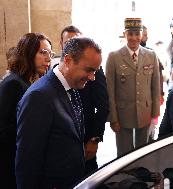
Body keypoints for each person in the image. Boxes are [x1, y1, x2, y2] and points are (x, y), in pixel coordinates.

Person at [15, 37, 102, 188]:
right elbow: (27, 161)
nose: (92, 77)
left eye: (95, 71)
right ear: (68, 60)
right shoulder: (39, 96)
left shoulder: (72, 87)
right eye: (89, 70)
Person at [0, 33, 53, 188]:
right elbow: (4, 131)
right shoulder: (13, 83)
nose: (48, 58)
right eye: (43, 52)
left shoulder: (30, 81)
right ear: (28, 53)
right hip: (10, 163)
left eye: (50, 53)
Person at [106, 17, 160, 156]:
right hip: (123, 114)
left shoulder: (151, 55)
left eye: (137, 33)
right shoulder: (114, 57)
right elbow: (110, 91)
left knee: (144, 152)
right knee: (124, 154)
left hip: (145, 112)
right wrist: (113, 118)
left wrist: (155, 114)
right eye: (130, 34)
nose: (134, 38)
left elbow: (155, 87)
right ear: (124, 34)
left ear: (142, 34)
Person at [59, 25, 109, 174]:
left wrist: (94, 138)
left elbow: (102, 105)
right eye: (68, 42)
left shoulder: (93, 69)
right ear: (61, 43)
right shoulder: (54, 71)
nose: (91, 76)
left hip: (87, 134)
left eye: (76, 41)